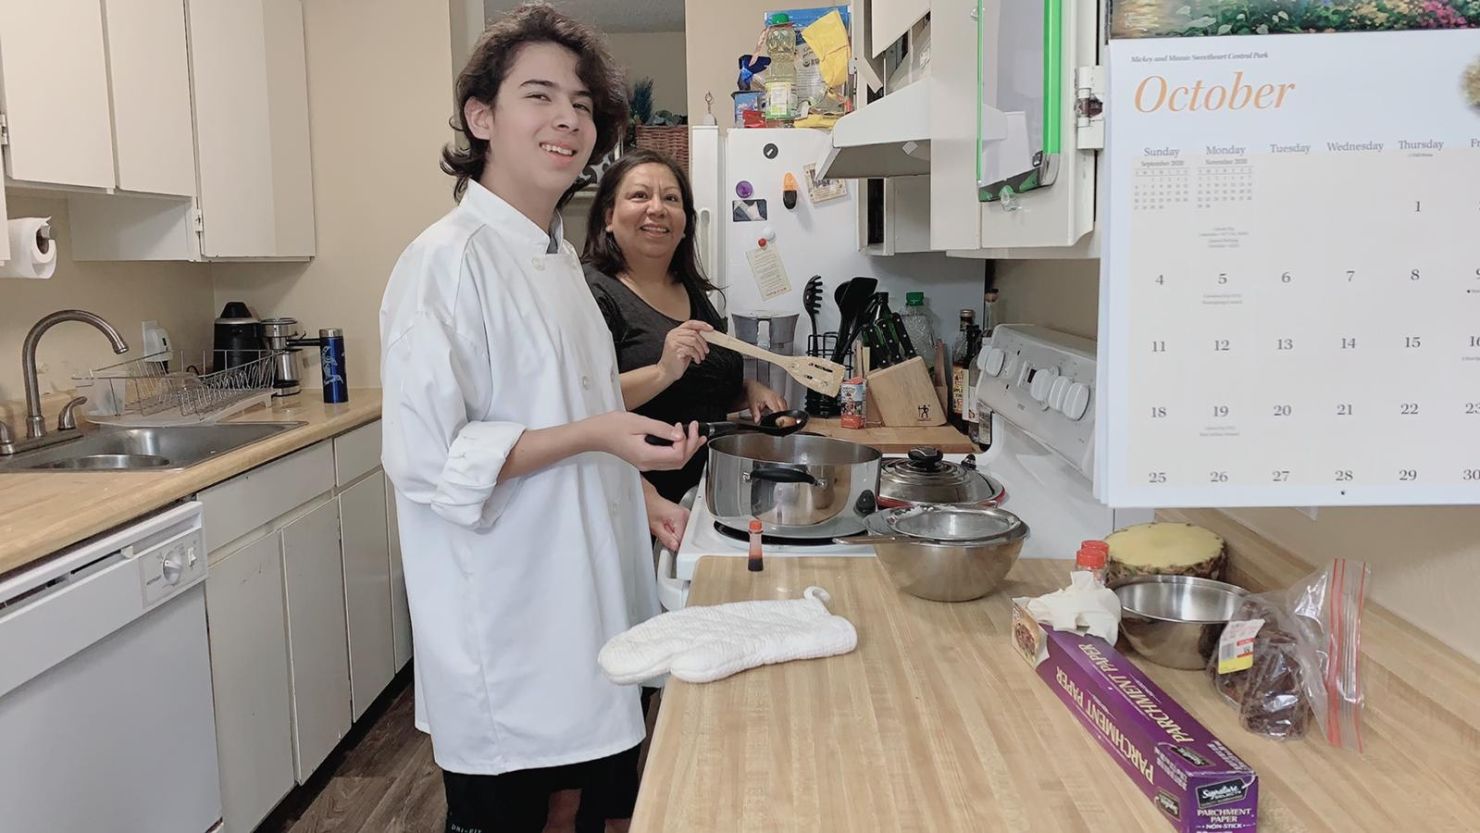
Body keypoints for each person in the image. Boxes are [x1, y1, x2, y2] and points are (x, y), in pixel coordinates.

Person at [378, 7, 703, 832]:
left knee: (586, 806)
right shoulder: (444, 263)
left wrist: (639, 496)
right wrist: (598, 436)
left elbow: (572, 409)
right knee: (511, 812)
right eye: (540, 96)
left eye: (584, 104)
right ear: (482, 118)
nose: (569, 119)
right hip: (509, 616)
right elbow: (427, 458)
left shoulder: (557, 260)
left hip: (583, 592)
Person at [583, 149, 787, 534]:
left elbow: (697, 385)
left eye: (671, 199)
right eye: (640, 196)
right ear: (608, 217)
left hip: (702, 497)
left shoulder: (691, 290)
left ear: (686, 223)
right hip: (635, 506)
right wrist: (662, 371)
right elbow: (583, 403)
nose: (657, 209)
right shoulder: (591, 291)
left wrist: (746, 390)